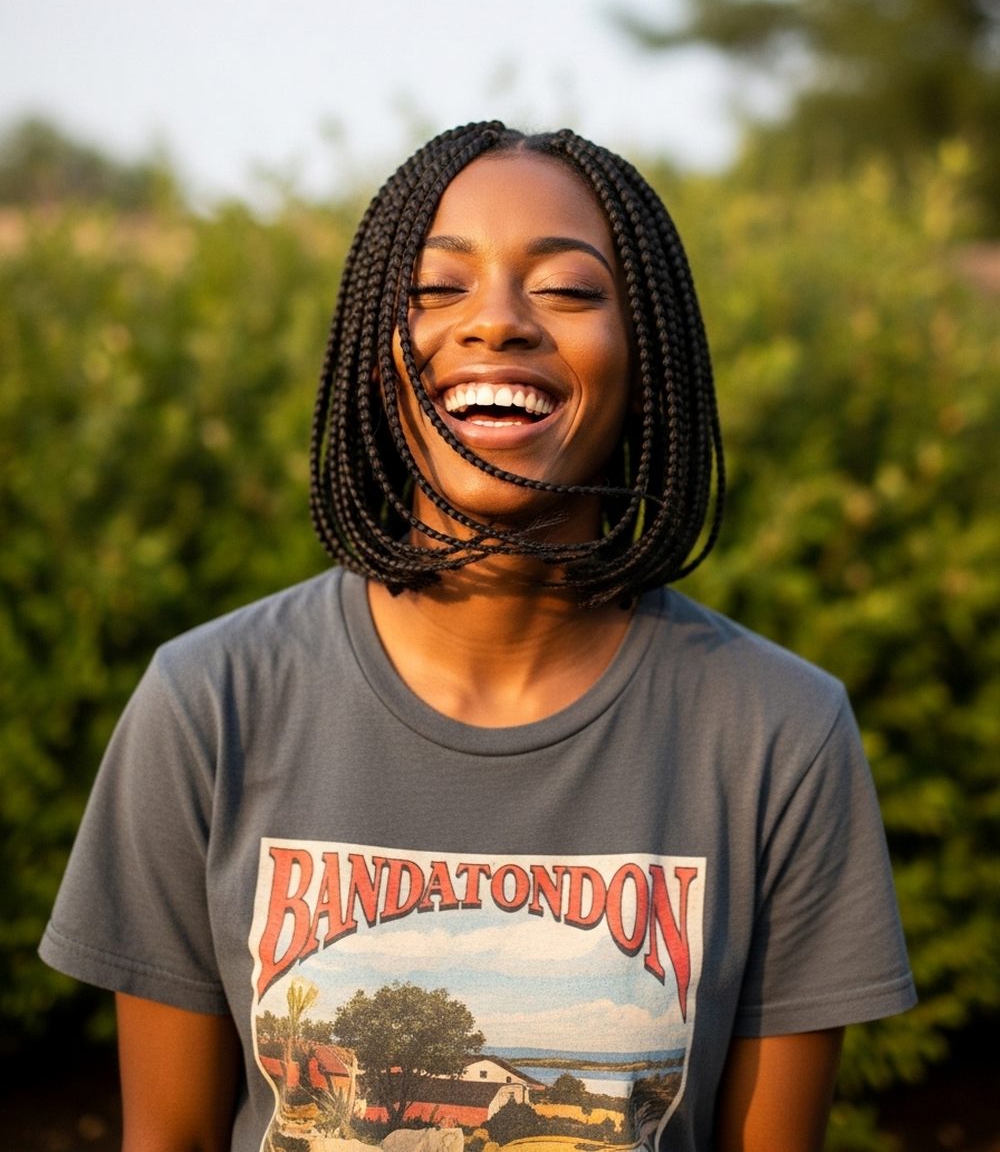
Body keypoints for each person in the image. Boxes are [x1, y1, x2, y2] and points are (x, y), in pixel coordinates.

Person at [40, 122, 916, 1152]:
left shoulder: (778, 732)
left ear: (648, 358)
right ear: (374, 357)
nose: (496, 320)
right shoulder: (210, 704)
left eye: (568, 288)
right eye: (436, 287)